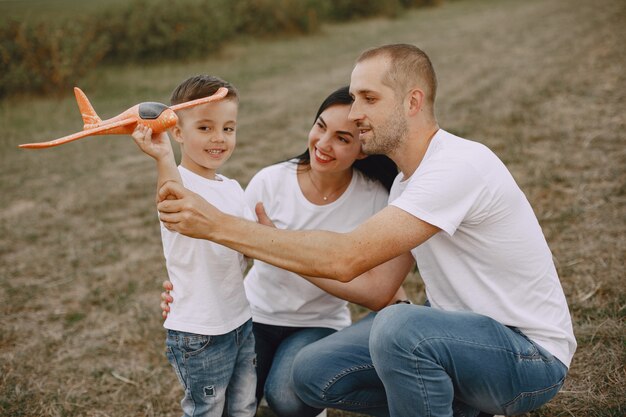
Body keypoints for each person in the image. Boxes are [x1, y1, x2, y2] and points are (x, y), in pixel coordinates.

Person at [154, 44, 577, 416]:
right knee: (310, 372)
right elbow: (380, 286)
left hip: (527, 355)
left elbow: (347, 259)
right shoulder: (405, 183)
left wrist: (217, 225)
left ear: (413, 102)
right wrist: (195, 289)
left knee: (399, 326)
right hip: (458, 334)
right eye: (354, 98)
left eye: (369, 98)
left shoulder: (457, 166)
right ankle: (460, 405)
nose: (356, 113)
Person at [160, 86, 413, 417]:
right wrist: (190, 291)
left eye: (343, 138)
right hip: (254, 314)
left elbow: (380, 284)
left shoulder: (375, 199)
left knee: (286, 395)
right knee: (227, 403)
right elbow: (228, 243)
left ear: (362, 150)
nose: (323, 144)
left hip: (319, 322)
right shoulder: (272, 181)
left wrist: (284, 247)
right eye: (320, 126)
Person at [132, 75, 256, 417]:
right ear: (178, 133)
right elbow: (174, 195)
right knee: (208, 408)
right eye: (205, 128)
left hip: (240, 319)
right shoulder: (177, 181)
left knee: (243, 404)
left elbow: (251, 243)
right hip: (200, 332)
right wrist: (162, 158)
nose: (219, 138)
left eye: (228, 128)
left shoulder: (232, 186)